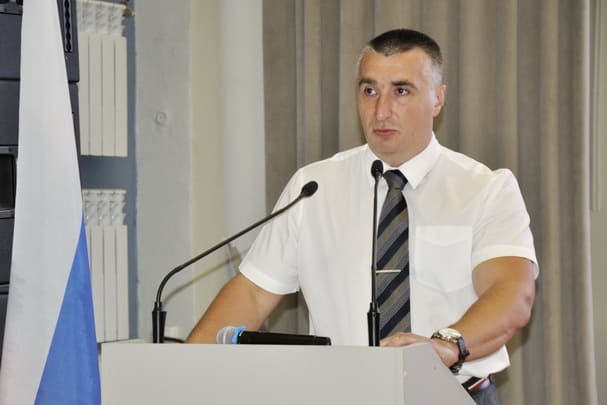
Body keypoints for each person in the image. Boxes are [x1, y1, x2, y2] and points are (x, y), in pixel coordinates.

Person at [186, 28, 537, 405]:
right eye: (369, 90)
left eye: (401, 91)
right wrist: (181, 373)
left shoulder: (485, 189)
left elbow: (511, 294)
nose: (381, 110)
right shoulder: (313, 187)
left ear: (437, 99)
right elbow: (254, 294)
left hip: (452, 394)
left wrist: (447, 344)